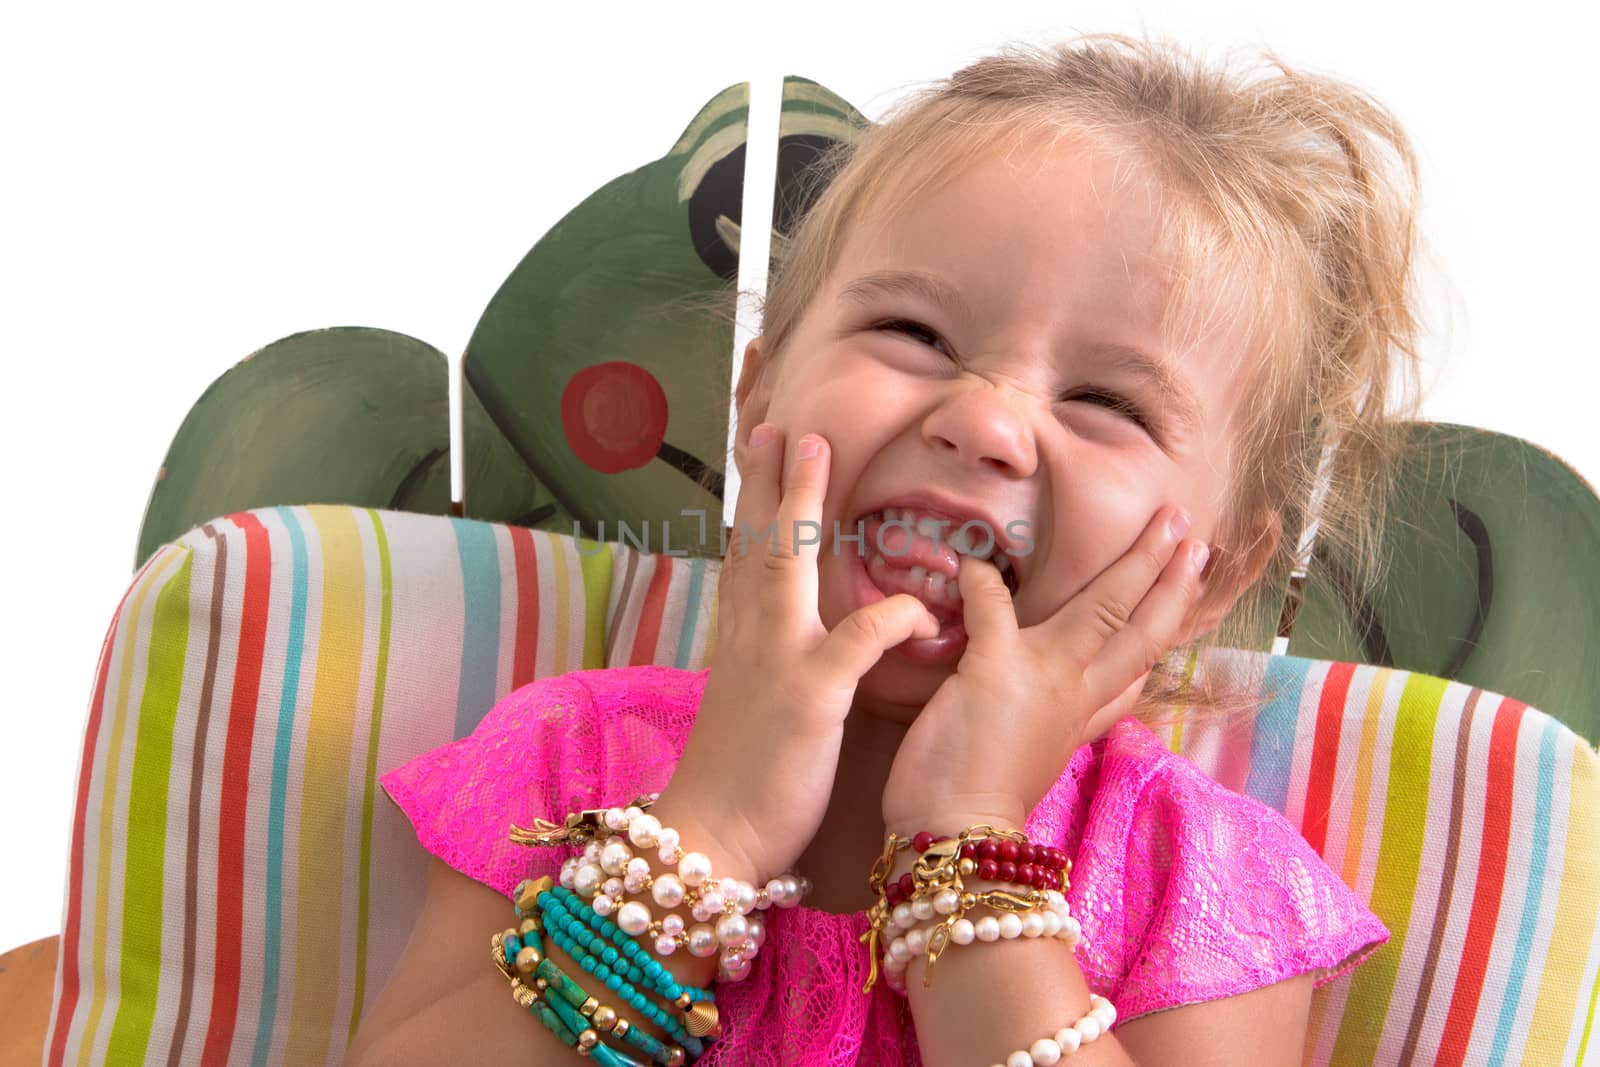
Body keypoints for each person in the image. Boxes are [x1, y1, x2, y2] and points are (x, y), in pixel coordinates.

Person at [348, 32, 1421, 1066]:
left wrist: (969, 845)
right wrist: (709, 827)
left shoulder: (1196, 879)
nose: (983, 423)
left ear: (1213, 579)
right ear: (757, 394)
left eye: (1105, 400)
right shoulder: (573, 756)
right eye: (914, 334)